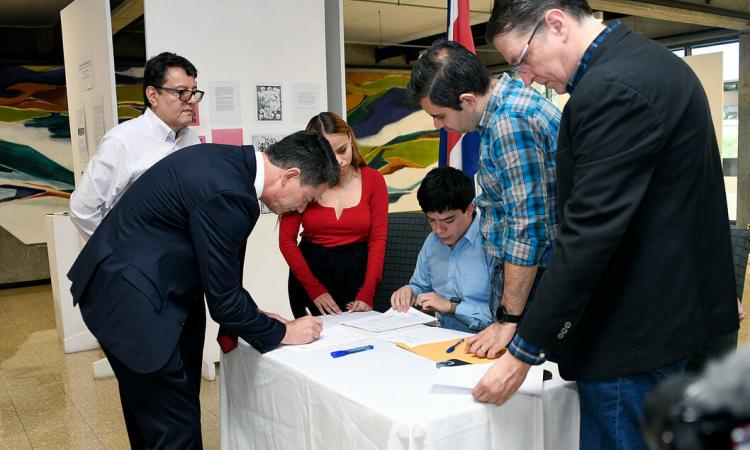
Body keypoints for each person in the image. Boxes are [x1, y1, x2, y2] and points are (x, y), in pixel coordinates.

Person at [479, 2, 739, 449]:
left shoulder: (611, 88)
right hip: (674, 321)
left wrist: (523, 349)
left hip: (632, 335)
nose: (525, 77)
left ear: (555, 24)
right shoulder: (651, 63)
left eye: (521, 59)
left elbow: (589, 232)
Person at [67, 131, 339, 449]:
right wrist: (283, 331)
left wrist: (253, 315)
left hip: (126, 289)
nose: (300, 209)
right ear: (291, 176)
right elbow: (223, 302)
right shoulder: (231, 195)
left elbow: (222, 279)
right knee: (175, 432)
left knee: (152, 423)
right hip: (136, 307)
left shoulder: (227, 164)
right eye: (306, 198)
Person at [406, 40, 560, 357]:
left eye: (439, 115)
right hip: (532, 282)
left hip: (538, 284)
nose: (438, 125)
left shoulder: (508, 123)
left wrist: (508, 319)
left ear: (467, 100)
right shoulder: (508, 108)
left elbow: (526, 231)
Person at [69, 51, 202, 238]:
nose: (191, 101)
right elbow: (82, 209)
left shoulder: (192, 141)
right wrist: (116, 251)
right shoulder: (122, 142)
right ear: (152, 95)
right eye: (182, 93)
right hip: (138, 259)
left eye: (194, 92)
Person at [279, 112, 388, 317]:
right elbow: (286, 240)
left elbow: (378, 239)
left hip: (357, 277)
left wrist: (367, 291)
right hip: (309, 278)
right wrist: (315, 289)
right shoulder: (304, 183)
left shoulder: (373, 180)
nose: (339, 161)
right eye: (329, 154)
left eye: (342, 150)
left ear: (350, 139)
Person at [390, 167, 492, 332]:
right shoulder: (432, 242)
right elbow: (419, 286)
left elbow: (505, 318)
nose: (438, 230)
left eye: (448, 220)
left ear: (469, 209)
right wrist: (409, 292)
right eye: (431, 220)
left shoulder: (491, 243)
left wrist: (451, 307)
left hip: (486, 344)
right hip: (440, 338)